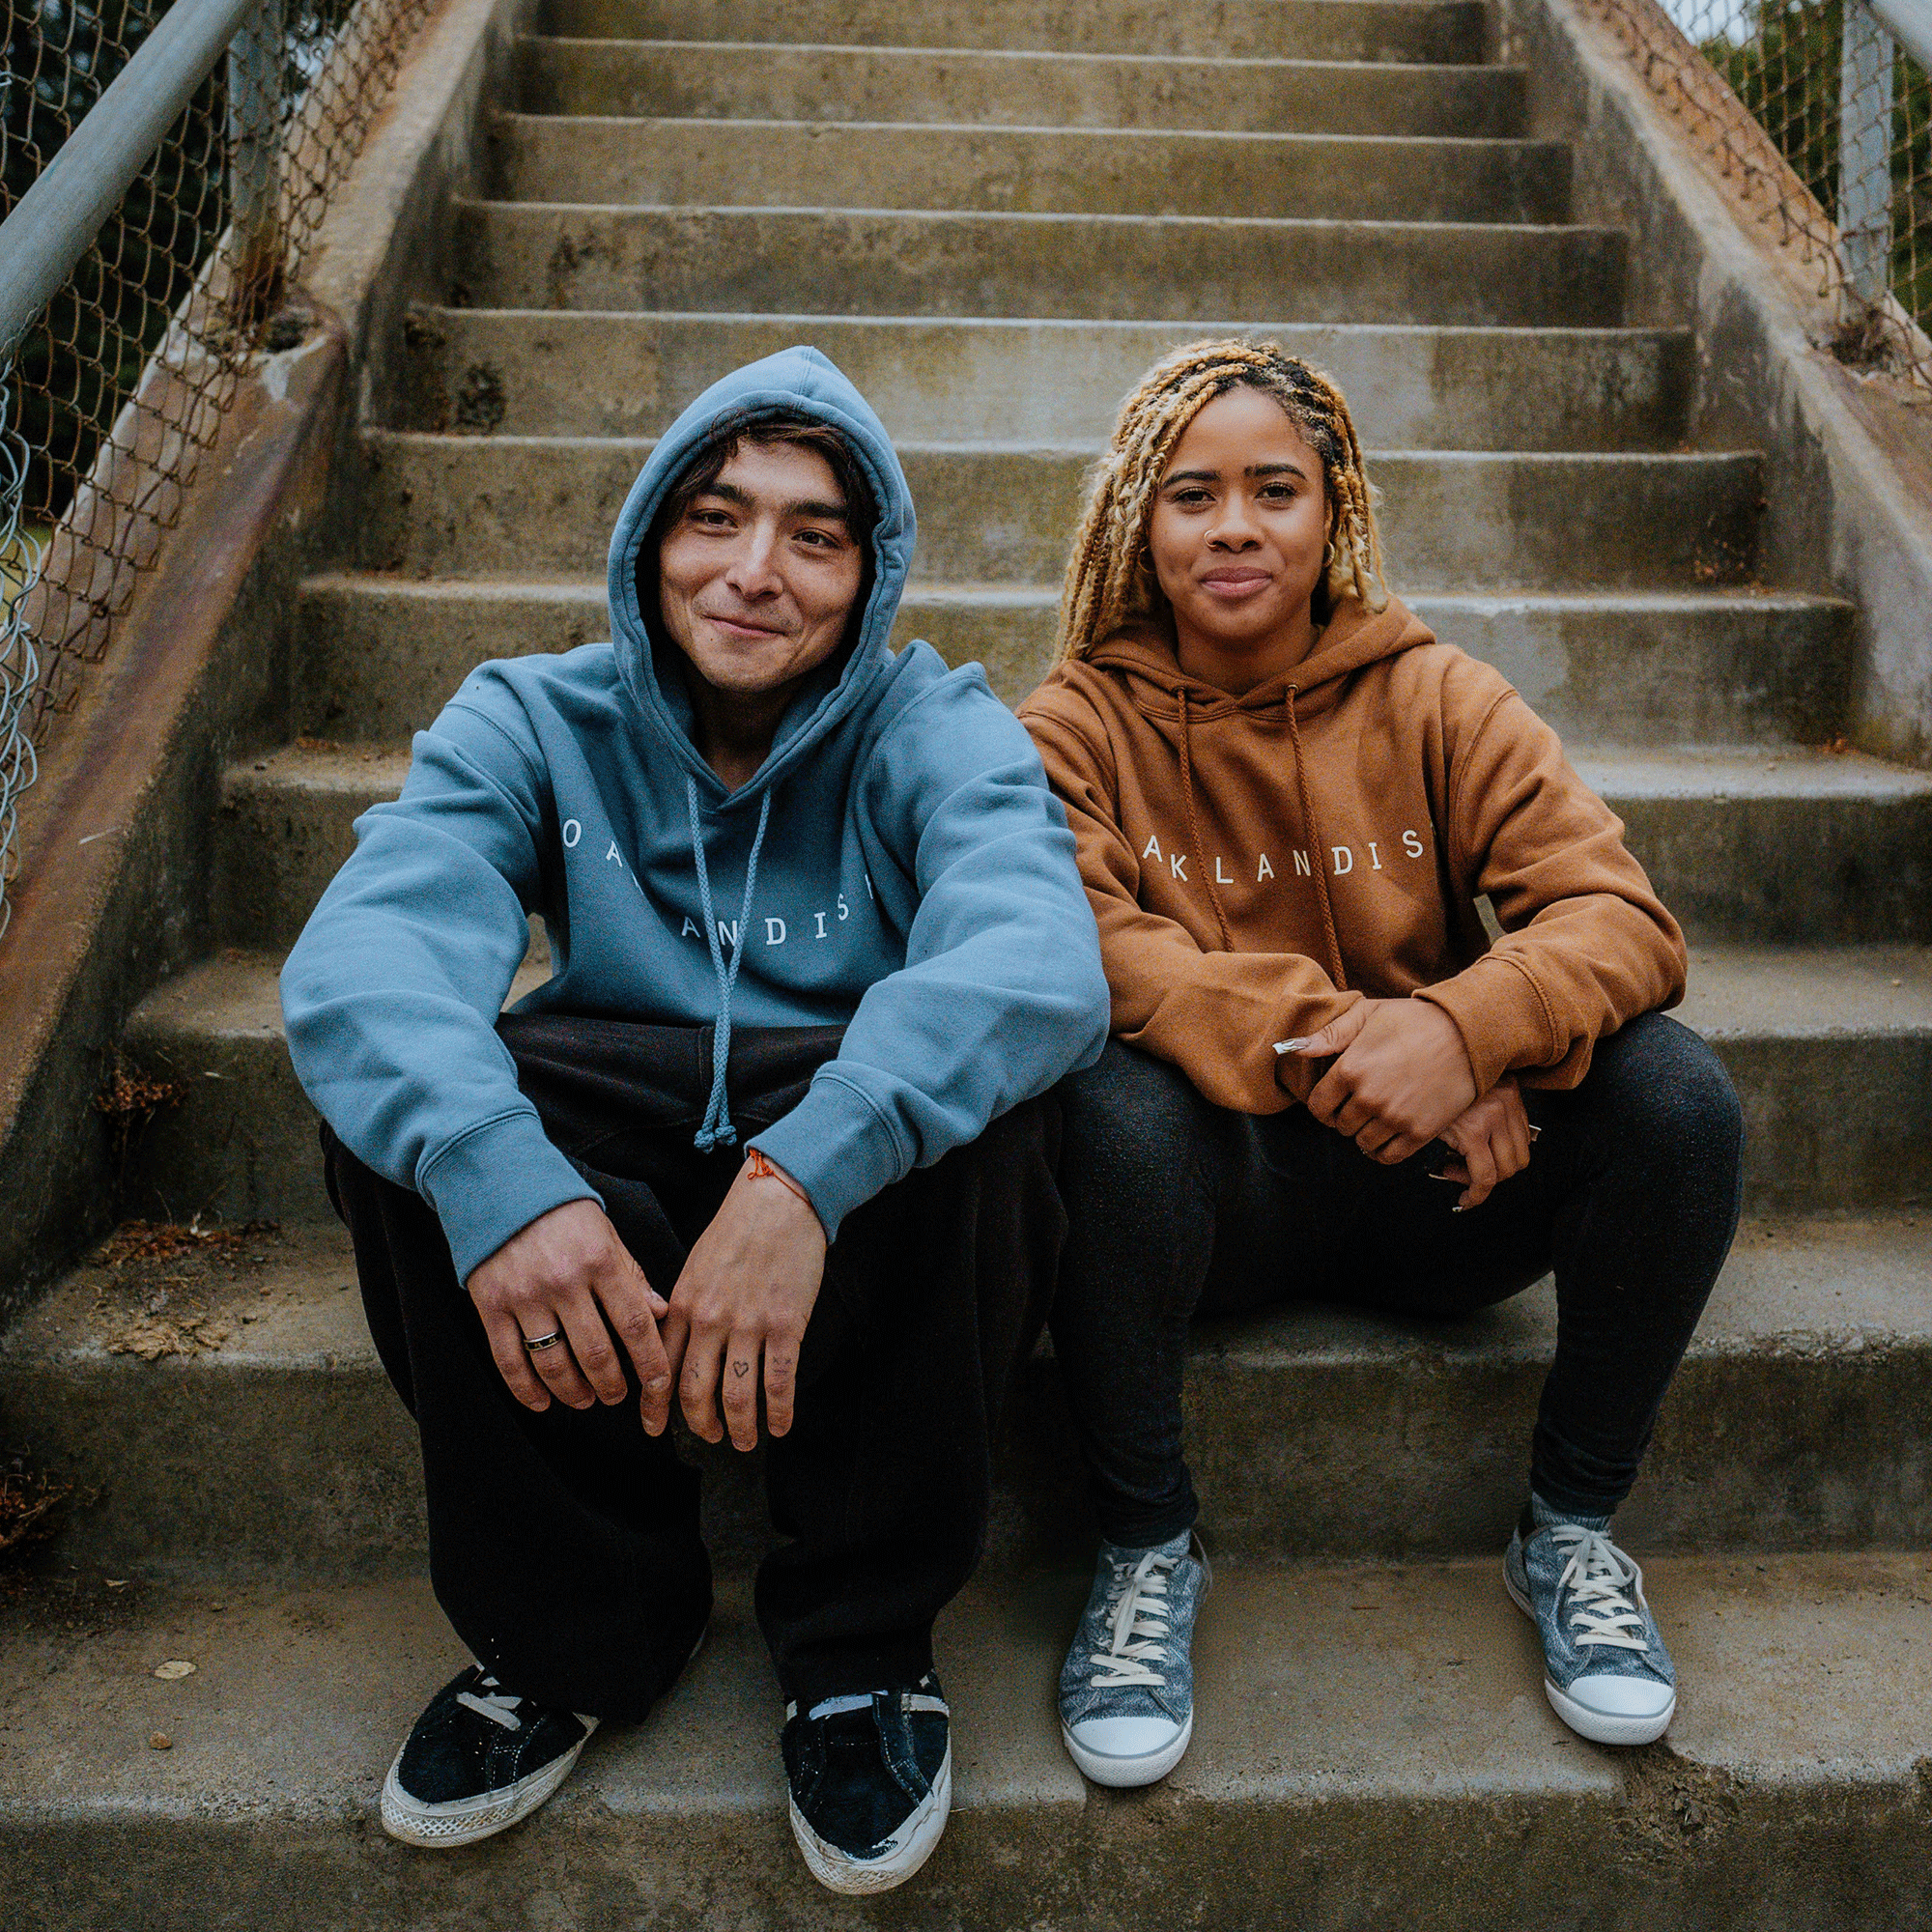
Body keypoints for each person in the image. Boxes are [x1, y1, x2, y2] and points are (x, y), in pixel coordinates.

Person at [281, 347, 1109, 1889]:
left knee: (995, 1110)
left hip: (827, 1104)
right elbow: (367, 955)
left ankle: (861, 1642)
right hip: (615, 1094)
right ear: (650, 535)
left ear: (873, 572)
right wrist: (497, 1175)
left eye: (815, 533)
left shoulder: (937, 725)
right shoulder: (528, 716)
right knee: (410, 1118)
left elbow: (1036, 956)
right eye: (715, 518)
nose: (754, 573)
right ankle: (569, 1632)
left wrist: (805, 1174)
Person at [1018, 338, 1744, 1789]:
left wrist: (1471, 1026)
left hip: (1445, 1201)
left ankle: (1571, 1533)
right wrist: (1378, 1039)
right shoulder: (1070, 727)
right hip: (1212, 1201)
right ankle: (1147, 1546)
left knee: (1676, 1097)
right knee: (1096, 1103)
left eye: (1274, 489)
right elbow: (1086, 951)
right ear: (1133, 525)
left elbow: (1621, 917)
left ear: (1333, 508)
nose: (1235, 526)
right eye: (1191, 494)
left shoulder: (1437, 695)